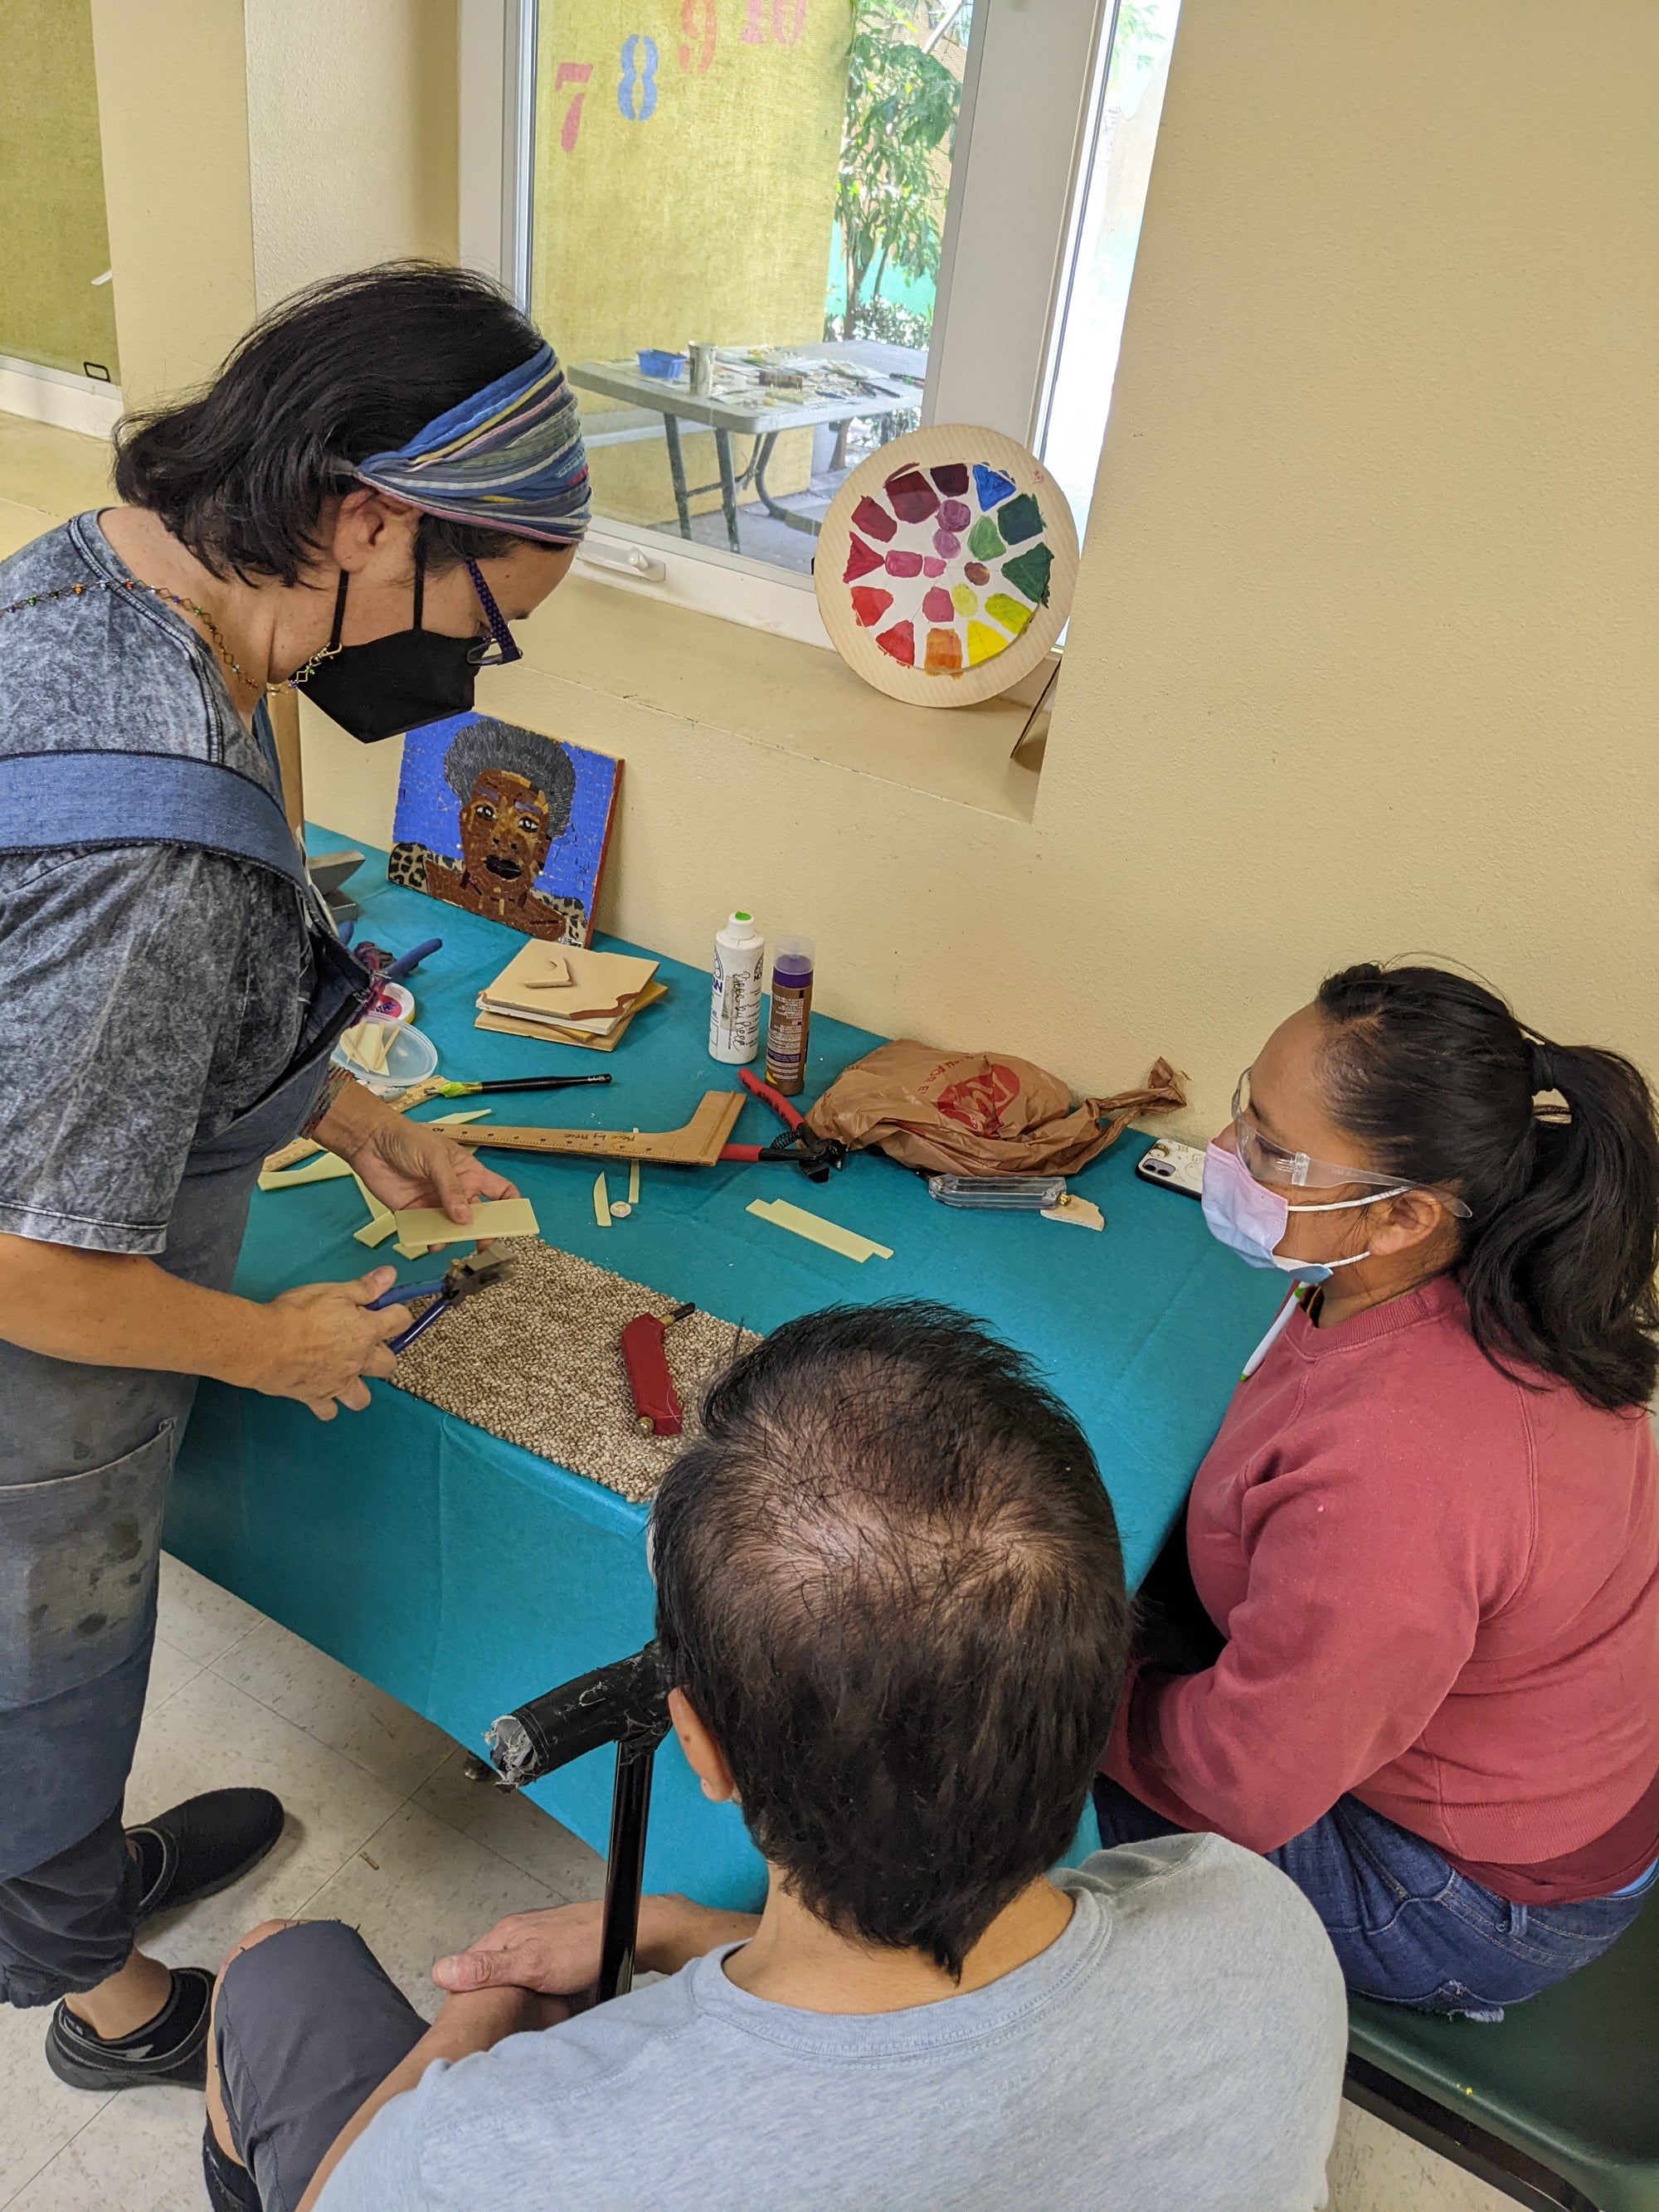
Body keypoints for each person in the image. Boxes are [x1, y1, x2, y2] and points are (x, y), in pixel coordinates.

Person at [0, 261, 591, 2090]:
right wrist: (274, 1347)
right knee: (44, 1669)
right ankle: (88, 1989)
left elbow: (117, 1009)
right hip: (37, 1376)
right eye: (483, 615)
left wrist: (341, 1106)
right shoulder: (156, 842)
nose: (471, 670)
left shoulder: (97, 581)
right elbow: (26, 1262)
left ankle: (73, 1874)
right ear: (362, 510)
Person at [202, 1304, 1345, 2212]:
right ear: (1096, 1679)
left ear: (697, 1740)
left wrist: (477, 2022)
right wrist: (688, 1930)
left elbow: (359, 2188)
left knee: (275, 1962)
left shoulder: (493, 2153)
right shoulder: (1259, 1921)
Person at [1097, 963, 1659, 2020]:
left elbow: (1241, 1785)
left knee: (979, 1742)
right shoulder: (1490, 1277)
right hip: (1523, 1774)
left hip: (1462, 1899)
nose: (1224, 1156)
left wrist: (1064, 1700)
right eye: (1242, 1111)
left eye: (1268, 1149)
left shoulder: (1402, 1475)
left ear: (1399, 1215)